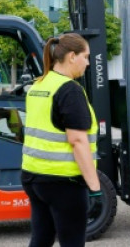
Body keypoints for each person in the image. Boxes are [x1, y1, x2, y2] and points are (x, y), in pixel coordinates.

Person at [21, 33, 101, 247]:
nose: (88, 63)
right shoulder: (70, 90)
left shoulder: (38, 85)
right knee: (72, 242)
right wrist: (95, 186)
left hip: (33, 176)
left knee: (41, 239)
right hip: (63, 181)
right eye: (86, 56)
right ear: (72, 56)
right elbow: (77, 141)